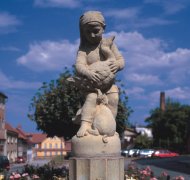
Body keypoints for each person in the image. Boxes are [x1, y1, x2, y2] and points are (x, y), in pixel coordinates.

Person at [75, 11, 125, 137]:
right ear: (83, 32)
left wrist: (118, 65)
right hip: (92, 86)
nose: (92, 35)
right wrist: (87, 72)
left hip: (108, 85)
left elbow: (121, 60)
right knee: (91, 98)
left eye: (96, 31)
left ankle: (110, 128)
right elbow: (79, 65)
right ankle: (85, 125)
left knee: (114, 98)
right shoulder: (84, 49)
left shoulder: (109, 44)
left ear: (103, 28)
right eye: (88, 32)